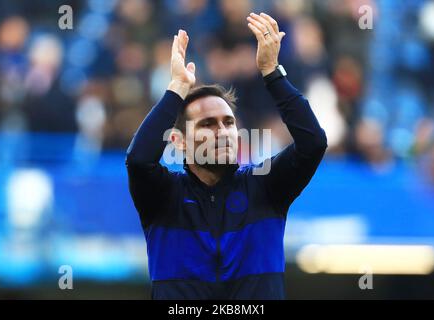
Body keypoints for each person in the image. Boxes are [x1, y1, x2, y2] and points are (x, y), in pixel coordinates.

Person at [126, 13, 327, 299]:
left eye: (228, 122)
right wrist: (177, 89)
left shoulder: (265, 187)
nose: (222, 131)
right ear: (178, 142)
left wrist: (271, 71)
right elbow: (138, 160)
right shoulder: (164, 196)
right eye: (208, 124)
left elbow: (313, 143)